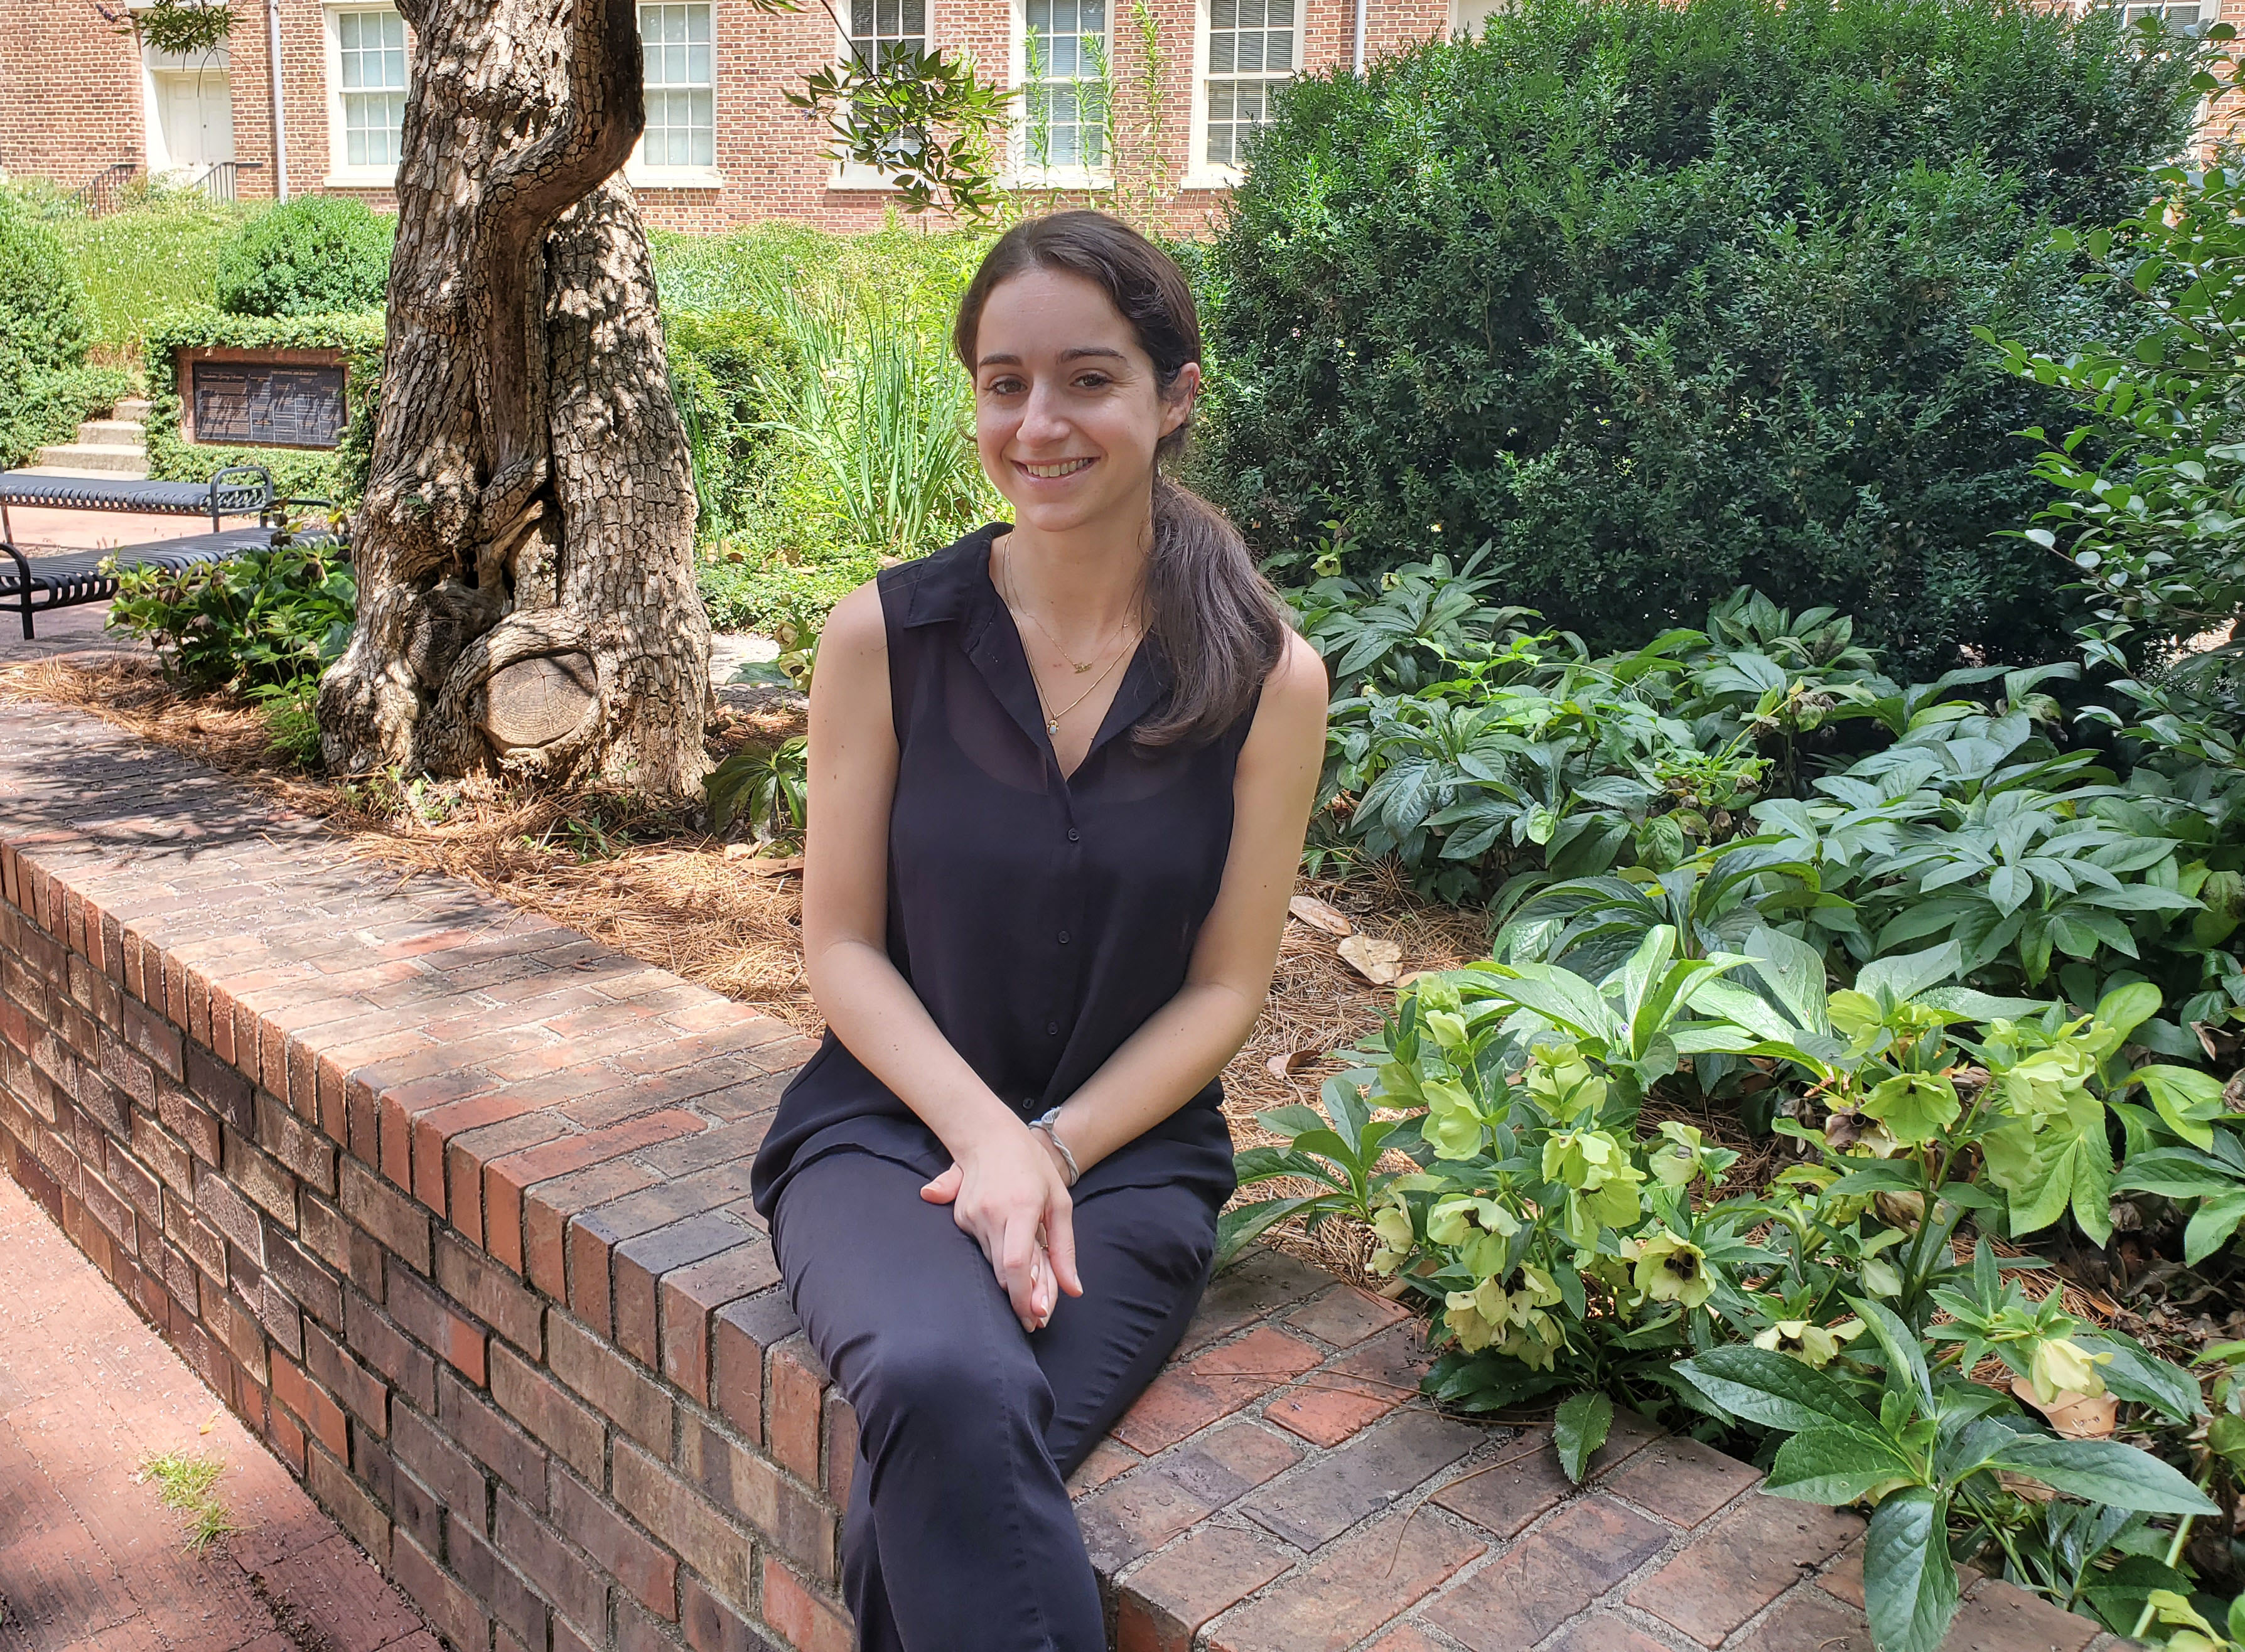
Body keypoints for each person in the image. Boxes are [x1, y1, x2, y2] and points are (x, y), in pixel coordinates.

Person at [748, 209, 1328, 1652]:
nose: (1040, 422)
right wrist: (987, 1136)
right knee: (946, 1383)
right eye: (1005, 382)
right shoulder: (884, 636)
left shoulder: (1268, 677)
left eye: (1087, 378)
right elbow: (841, 946)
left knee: (921, 1491)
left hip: (1128, 1164)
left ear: (1174, 397)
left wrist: (1054, 1144)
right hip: (886, 1133)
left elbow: (1226, 989)